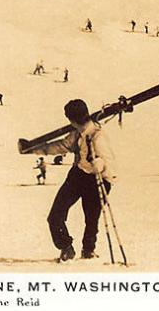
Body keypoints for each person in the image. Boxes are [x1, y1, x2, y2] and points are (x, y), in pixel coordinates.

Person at [47, 99, 117, 262]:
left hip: (98, 180)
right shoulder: (77, 133)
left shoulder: (98, 136)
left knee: (91, 219)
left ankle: (88, 250)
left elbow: (109, 162)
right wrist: (32, 149)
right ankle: (66, 247)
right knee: (55, 215)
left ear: (70, 119)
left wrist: (99, 164)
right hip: (78, 175)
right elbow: (61, 146)